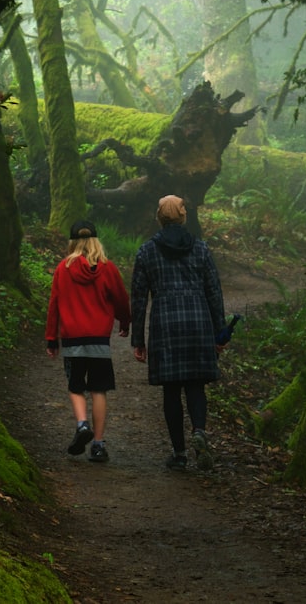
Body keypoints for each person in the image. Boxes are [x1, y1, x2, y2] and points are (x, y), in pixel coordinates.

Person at [131, 195, 227, 471]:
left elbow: (138, 298)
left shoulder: (147, 251)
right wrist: (220, 332)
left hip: (166, 324)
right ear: (184, 217)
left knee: (171, 389)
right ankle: (199, 431)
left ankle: (180, 453)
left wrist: (138, 339)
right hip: (198, 321)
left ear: (159, 219)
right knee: (195, 384)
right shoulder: (201, 249)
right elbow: (214, 292)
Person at [46, 220, 131, 463]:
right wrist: (124, 322)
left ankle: (82, 425)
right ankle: (98, 444)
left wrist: (52, 338)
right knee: (99, 389)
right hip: (99, 339)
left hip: (73, 338)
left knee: (75, 386)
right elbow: (121, 300)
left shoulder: (63, 268)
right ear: (96, 241)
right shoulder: (108, 268)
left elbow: (54, 305)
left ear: (72, 242)